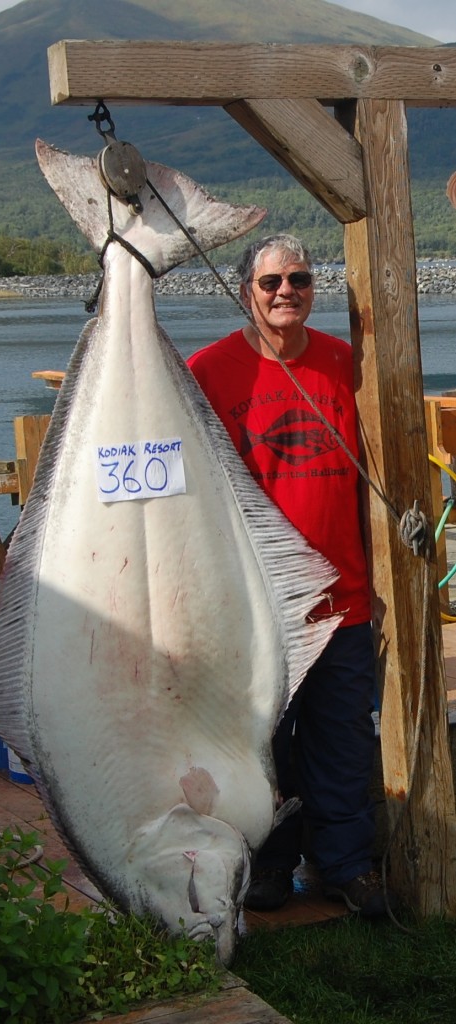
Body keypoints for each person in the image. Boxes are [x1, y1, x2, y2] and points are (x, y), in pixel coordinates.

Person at [187, 233, 397, 918]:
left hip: (345, 601)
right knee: (264, 742)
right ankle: (270, 864)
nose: (286, 292)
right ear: (245, 291)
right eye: (271, 282)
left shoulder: (344, 362)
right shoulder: (208, 371)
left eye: (299, 280)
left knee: (341, 737)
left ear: (314, 289)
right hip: (258, 607)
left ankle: (343, 864)